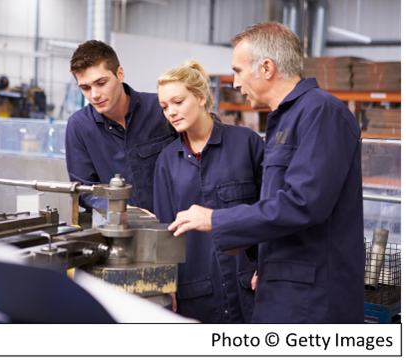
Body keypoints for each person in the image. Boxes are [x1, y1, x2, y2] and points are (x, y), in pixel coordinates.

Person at [168, 22, 365, 323]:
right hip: (281, 290)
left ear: (267, 68)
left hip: (313, 299)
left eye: (238, 71)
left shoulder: (321, 112)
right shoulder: (284, 120)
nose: (235, 83)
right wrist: (248, 244)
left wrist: (216, 219)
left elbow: (304, 204)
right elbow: (278, 207)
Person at [154, 60, 264, 323]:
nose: (171, 112)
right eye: (165, 106)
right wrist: (166, 287)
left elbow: (272, 209)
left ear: (201, 97)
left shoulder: (246, 143)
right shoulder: (167, 161)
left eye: (178, 102)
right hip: (197, 291)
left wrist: (267, 265)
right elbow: (164, 232)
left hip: (250, 284)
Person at [65, 40, 177, 213]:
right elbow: (84, 191)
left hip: (175, 224)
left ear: (120, 74)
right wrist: (124, 211)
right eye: (85, 88)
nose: (94, 95)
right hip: (118, 231)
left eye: (101, 83)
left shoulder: (161, 109)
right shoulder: (79, 126)